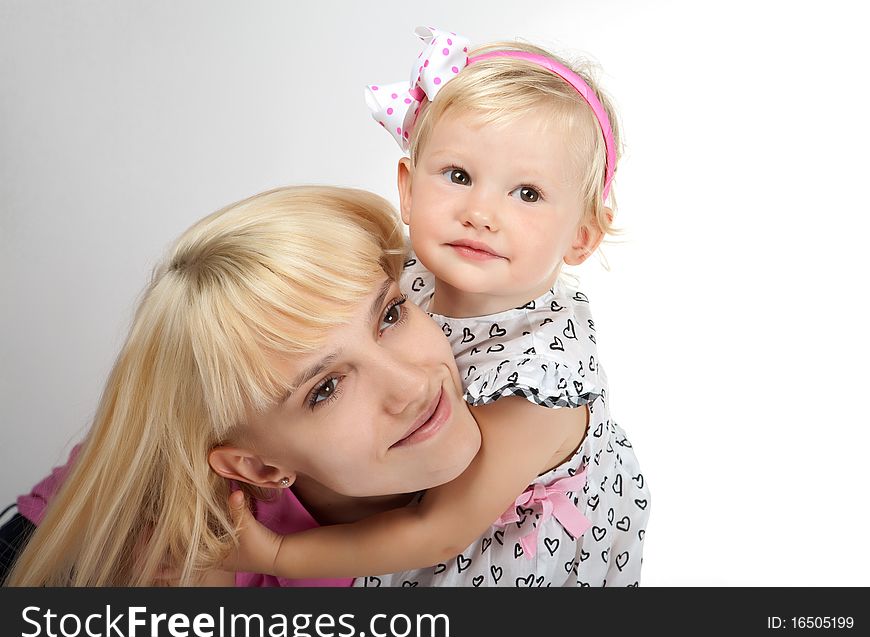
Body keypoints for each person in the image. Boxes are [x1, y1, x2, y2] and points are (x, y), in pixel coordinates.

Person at [226, 27, 650, 587]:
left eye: (526, 194)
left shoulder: (541, 387)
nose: (480, 211)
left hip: (503, 545)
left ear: (581, 237)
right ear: (407, 190)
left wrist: (277, 556)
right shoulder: (403, 279)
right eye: (458, 176)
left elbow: (438, 529)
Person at [3, 185, 482, 586]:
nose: (413, 385)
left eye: (390, 315)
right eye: (325, 389)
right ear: (259, 468)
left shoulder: (523, 363)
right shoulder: (198, 560)